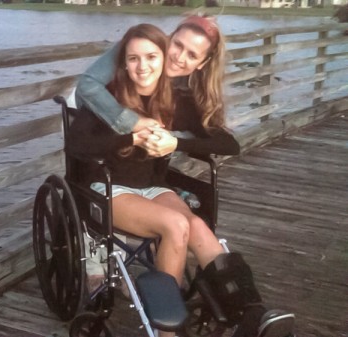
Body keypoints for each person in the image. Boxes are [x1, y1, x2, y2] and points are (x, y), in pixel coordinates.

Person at [71, 16, 295, 337]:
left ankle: (251, 315)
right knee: (176, 225)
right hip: (109, 187)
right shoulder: (113, 88)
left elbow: (228, 142)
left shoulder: (178, 97)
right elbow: (79, 140)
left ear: (201, 64)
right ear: (166, 40)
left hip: (152, 187)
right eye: (177, 46)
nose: (179, 57)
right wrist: (130, 134)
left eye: (192, 55)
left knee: (198, 227)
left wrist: (177, 142)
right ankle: (167, 332)